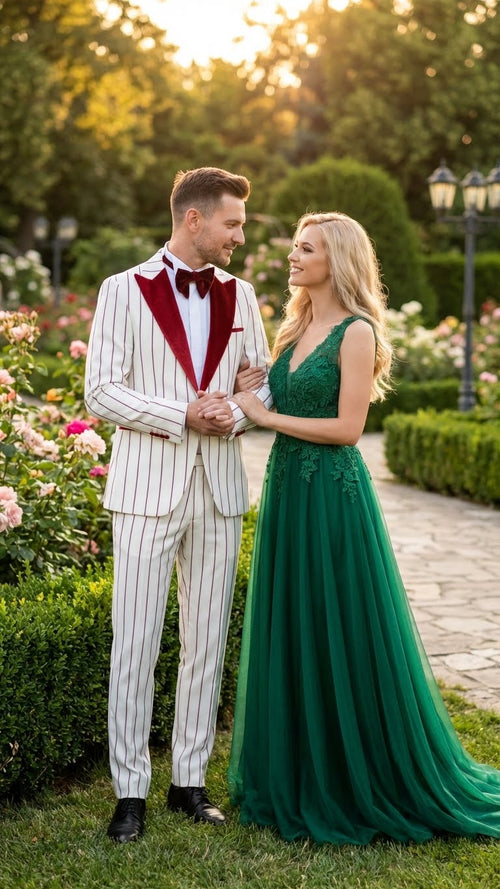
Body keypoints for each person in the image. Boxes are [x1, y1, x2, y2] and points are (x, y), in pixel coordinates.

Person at [227, 210, 500, 845]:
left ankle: (359, 775)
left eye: (306, 248)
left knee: (340, 621)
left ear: (338, 260)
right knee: (296, 620)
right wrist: (258, 391)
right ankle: (299, 769)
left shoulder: (355, 331)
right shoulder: (295, 327)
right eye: (296, 246)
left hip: (334, 493)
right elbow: (284, 399)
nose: (293, 256)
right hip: (289, 489)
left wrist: (263, 419)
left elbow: (348, 429)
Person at [85, 166, 272, 843]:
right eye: (233, 223)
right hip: (145, 492)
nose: (240, 236)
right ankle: (129, 791)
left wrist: (240, 413)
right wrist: (183, 412)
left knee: (207, 641)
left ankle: (188, 780)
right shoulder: (121, 290)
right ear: (194, 218)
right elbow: (100, 391)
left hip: (218, 490)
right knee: (134, 642)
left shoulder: (243, 295)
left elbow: (263, 388)